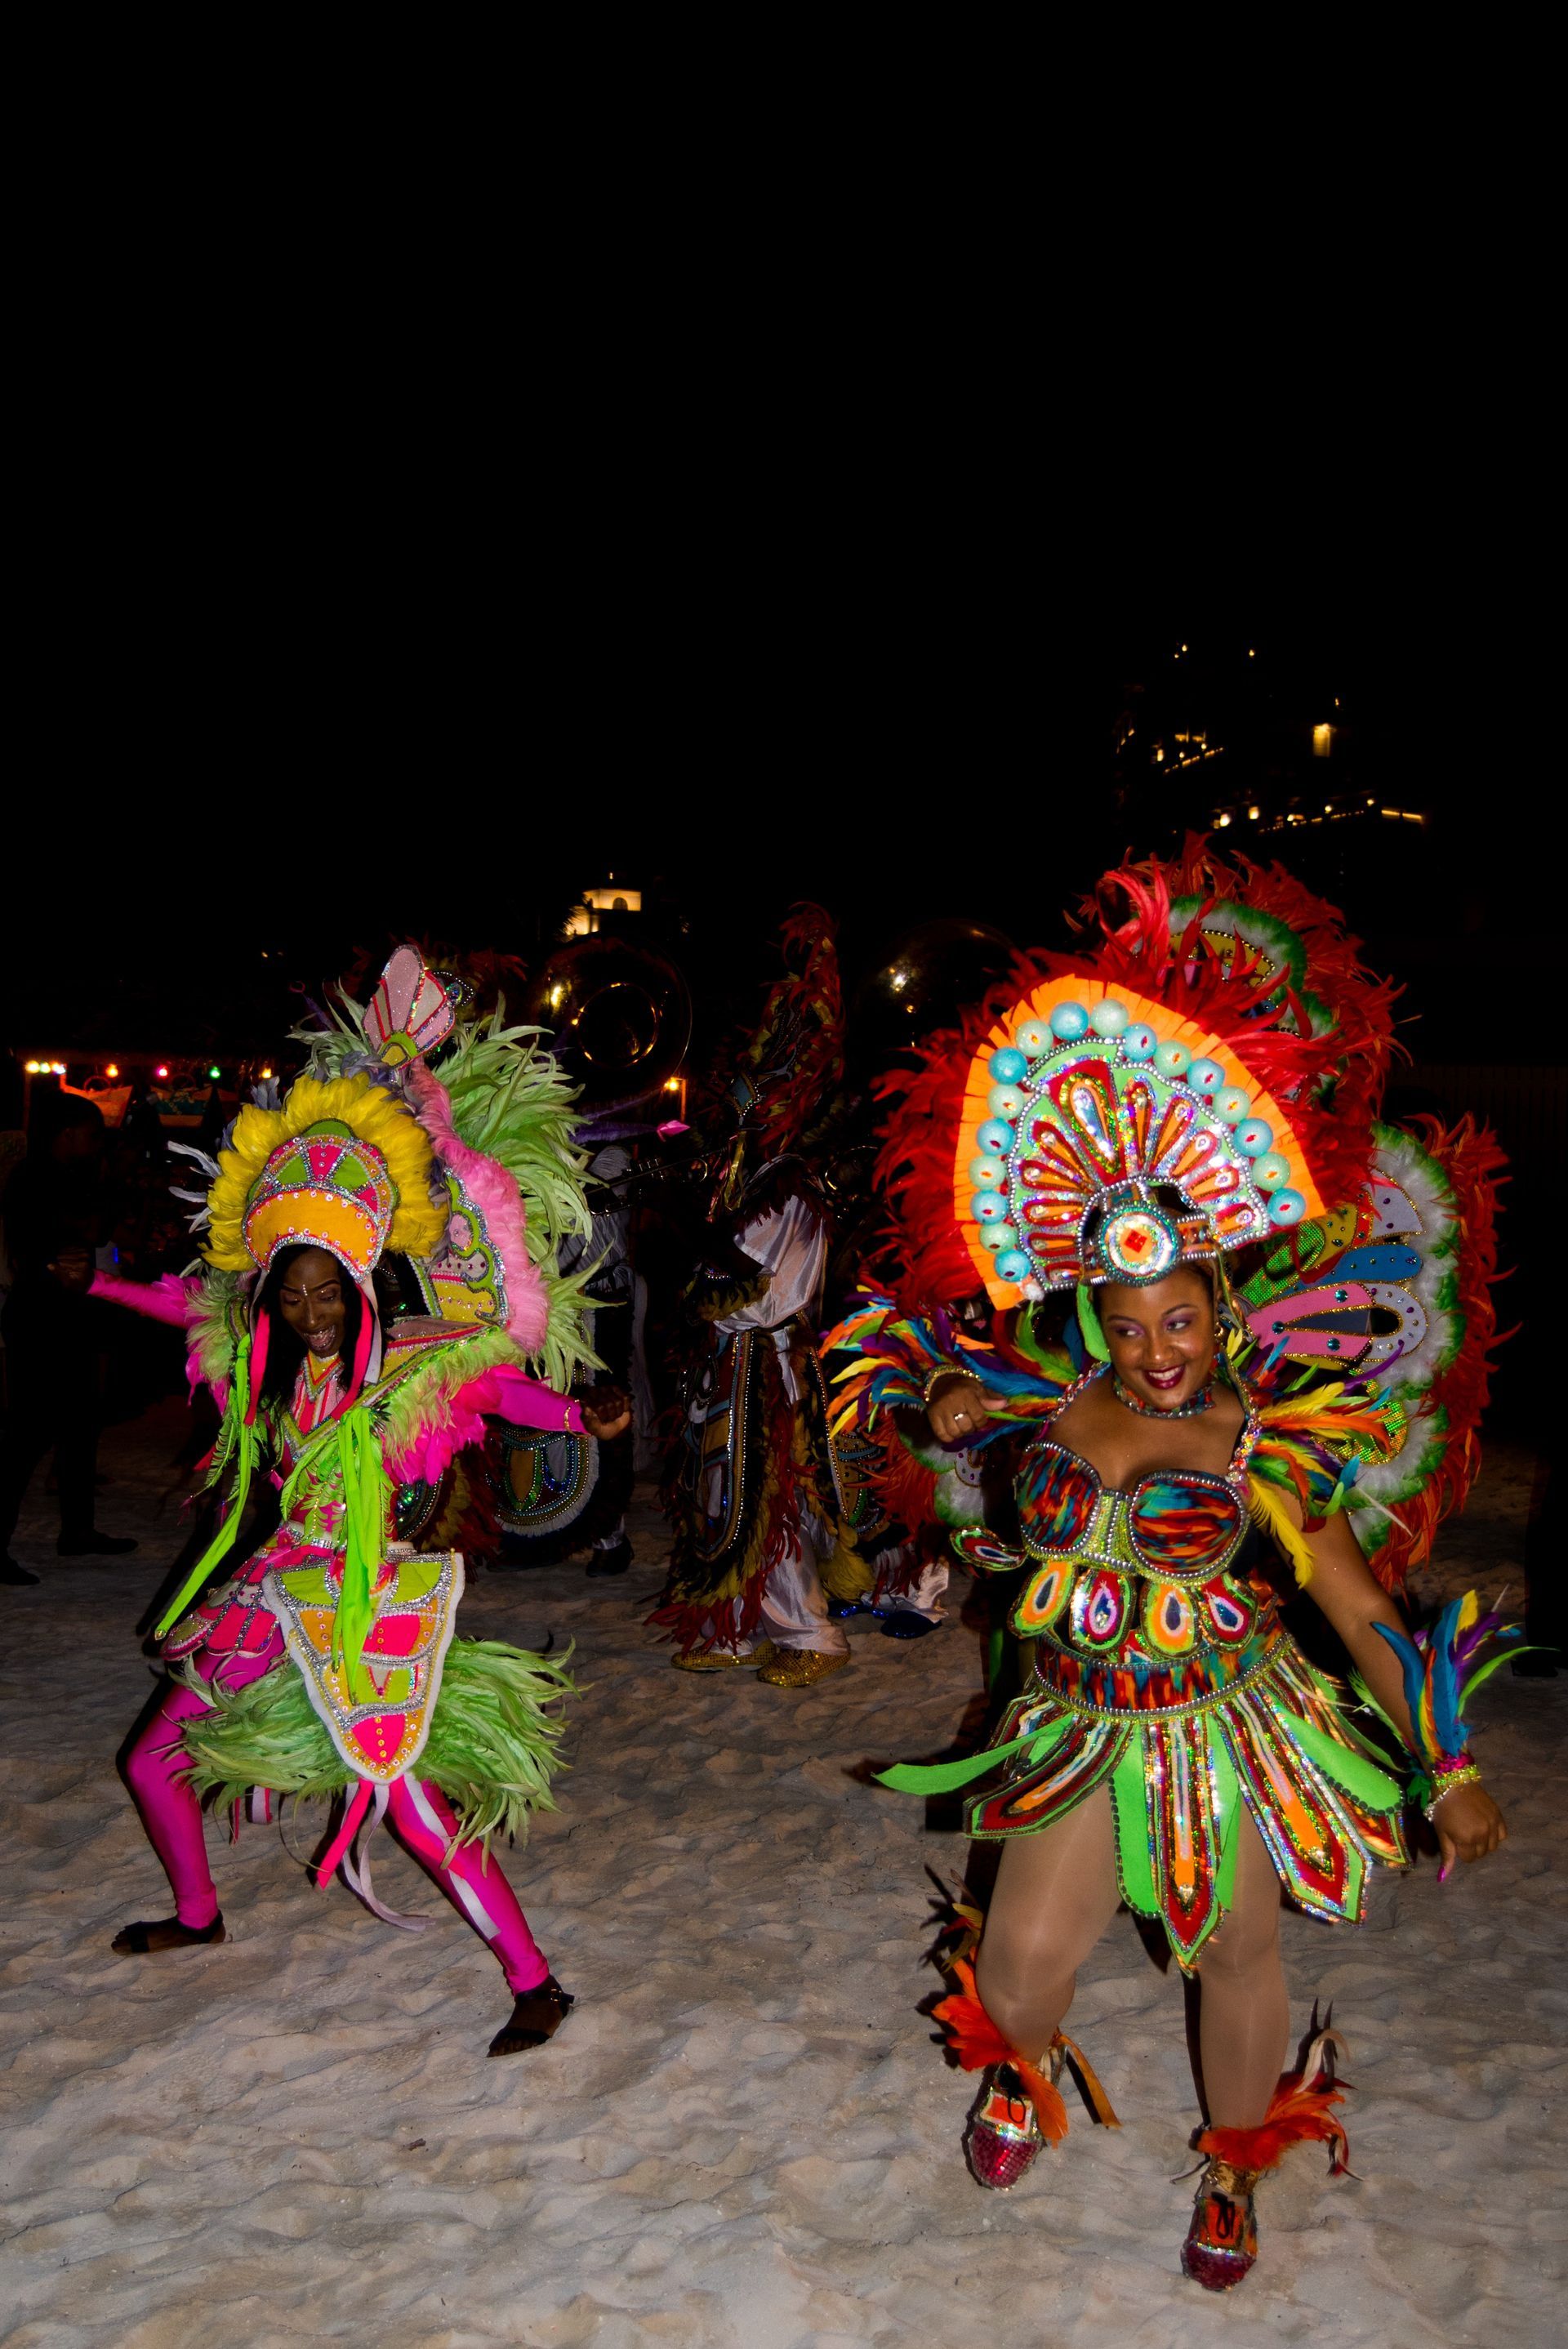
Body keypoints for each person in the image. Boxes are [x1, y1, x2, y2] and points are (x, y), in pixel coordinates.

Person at [835, 848, 1513, 2289]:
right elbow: (930, 1381)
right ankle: (1018, 2072)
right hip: (1082, 1722)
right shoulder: (1048, 1397)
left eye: (1182, 1319)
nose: (1158, 1347)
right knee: (1015, 1972)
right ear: (1101, 1314)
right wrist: (943, 1407)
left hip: (1221, 1726)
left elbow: (1358, 1610)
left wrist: (1442, 1760)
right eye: (1132, 1321)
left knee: (1233, 1959)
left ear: (1222, 1304)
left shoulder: (1269, 1439)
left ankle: (1235, 2167)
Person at [95, 951, 629, 2057]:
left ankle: (536, 1981)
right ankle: (199, 1915)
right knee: (151, 1761)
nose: (309, 1310)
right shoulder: (265, 1357)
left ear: (360, 1281)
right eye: (290, 1293)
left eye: (325, 1290)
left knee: (416, 1806)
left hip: (364, 1604)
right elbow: (187, 1307)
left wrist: (587, 1420)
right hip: (266, 1595)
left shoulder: (414, 1358)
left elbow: (511, 1382)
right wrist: (91, 1282)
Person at [649, 906, 870, 1685]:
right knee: (721, 1504)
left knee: (776, 1504)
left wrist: (696, 1259)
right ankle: (734, 1623)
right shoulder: (740, 1180)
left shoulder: (795, 1191)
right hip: (725, 1373)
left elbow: (768, 1297)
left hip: (769, 1372)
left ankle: (809, 1633)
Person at [2, 1085, 139, 1585]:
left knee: (81, 1425)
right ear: (67, 1135)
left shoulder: (70, 1176)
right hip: (40, 1318)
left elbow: (98, 1233)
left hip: (70, 1317)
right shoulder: (32, 1178)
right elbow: (84, 1228)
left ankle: (78, 1530)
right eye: (91, 1135)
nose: (98, 1143)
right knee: (27, 1434)